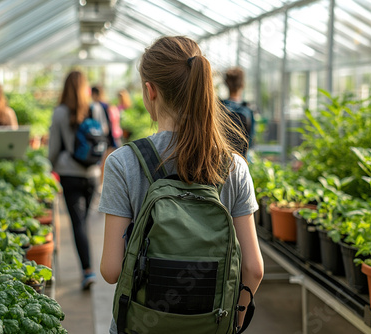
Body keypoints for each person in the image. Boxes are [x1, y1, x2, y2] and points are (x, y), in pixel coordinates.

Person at [99, 36, 264, 333]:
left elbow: (111, 270)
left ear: (151, 91)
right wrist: (231, 324)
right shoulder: (234, 166)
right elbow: (253, 268)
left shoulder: (124, 162)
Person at [48, 71, 109, 290]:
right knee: (85, 219)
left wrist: (50, 167)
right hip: (91, 174)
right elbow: (103, 137)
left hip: (69, 173)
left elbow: (54, 147)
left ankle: (87, 270)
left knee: (78, 222)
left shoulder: (60, 112)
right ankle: (89, 268)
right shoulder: (96, 109)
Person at [221, 67, 256, 158]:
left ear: (226, 84)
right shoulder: (247, 109)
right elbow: (251, 139)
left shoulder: (220, 107)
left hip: (221, 158)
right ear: (242, 85)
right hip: (241, 159)